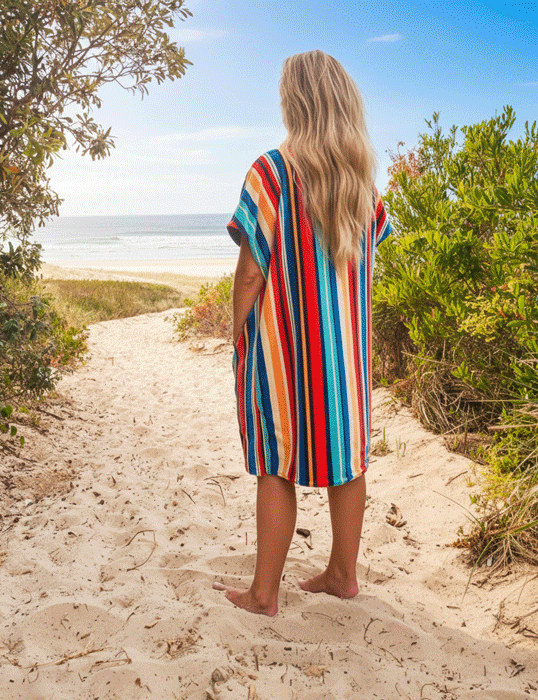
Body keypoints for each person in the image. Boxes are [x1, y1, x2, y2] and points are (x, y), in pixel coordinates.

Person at [213, 51, 392, 616]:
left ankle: (264, 594)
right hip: (346, 356)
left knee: (276, 461)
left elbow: (250, 271)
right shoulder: (361, 180)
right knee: (349, 458)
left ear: (296, 100)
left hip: (283, 350)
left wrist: (236, 331)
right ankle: (343, 573)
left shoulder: (271, 170)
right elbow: (364, 259)